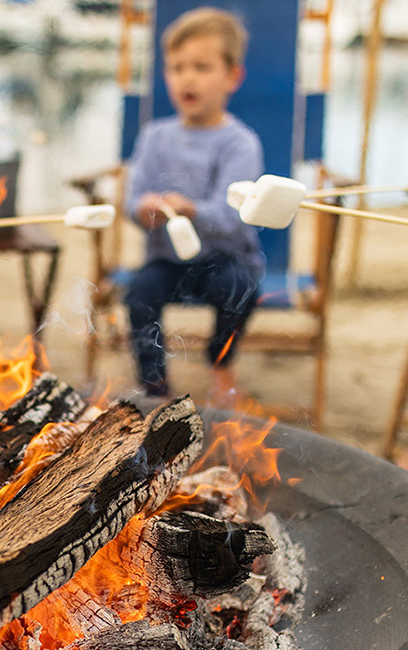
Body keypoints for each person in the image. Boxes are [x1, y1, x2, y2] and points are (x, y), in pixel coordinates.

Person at [124, 7, 264, 402]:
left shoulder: (240, 143)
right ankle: (155, 387)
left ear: (232, 76)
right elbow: (131, 202)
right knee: (138, 295)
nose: (187, 77)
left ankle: (220, 360)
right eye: (177, 67)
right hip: (166, 258)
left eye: (202, 67)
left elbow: (234, 218)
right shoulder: (154, 136)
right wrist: (144, 210)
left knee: (240, 288)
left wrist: (191, 210)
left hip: (223, 257)